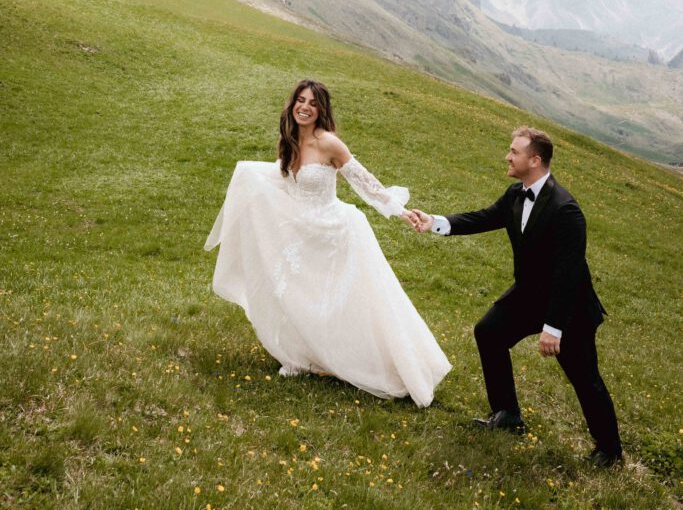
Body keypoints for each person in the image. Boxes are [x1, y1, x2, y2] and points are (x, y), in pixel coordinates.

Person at [204, 79, 451, 406]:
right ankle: (301, 356)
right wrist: (248, 177)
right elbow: (284, 180)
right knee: (294, 294)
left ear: (321, 110)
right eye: (300, 100)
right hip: (301, 232)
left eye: (312, 103)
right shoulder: (290, 141)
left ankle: (363, 362)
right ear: (292, 103)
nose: (304, 107)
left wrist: (400, 211)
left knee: (336, 302)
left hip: (333, 233)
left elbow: (364, 182)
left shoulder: (329, 143)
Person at [410, 126, 623, 466]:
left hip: (569, 307)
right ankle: (507, 414)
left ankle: (610, 450)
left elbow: (568, 274)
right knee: (489, 332)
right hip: (529, 295)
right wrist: (435, 222)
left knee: (584, 376)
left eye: (514, 152)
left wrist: (553, 327)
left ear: (534, 160)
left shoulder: (566, 209)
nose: (507, 156)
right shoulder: (515, 194)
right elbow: (484, 218)